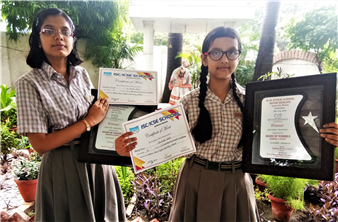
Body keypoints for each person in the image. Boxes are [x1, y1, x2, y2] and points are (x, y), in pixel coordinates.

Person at [115, 26, 338, 222]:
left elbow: (286, 134)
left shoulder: (254, 101)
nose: (224, 59)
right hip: (194, 181)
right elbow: (159, 140)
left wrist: (322, 138)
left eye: (231, 51)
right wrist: (130, 147)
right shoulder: (189, 102)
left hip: (235, 184)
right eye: (216, 52)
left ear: (238, 56)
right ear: (205, 59)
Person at [16, 8, 126, 221]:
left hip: (97, 161)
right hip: (62, 167)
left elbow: (100, 117)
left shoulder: (81, 74)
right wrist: (88, 121)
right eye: (49, 30)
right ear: (38, 39)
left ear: (73, 40)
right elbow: (40, 144)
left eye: (65, 31)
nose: (59, 36)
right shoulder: (29, 83)